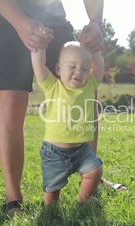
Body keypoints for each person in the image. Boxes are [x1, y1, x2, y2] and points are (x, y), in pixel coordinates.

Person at [0, 0, 103, 214]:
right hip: (4, 16)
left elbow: (94, 70)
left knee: (83, 92)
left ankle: (88, 175)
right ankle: (13, 198)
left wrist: (96, 23)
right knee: (13, 103)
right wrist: (19, 22)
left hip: (53, 19)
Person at [32, 38, 104, 205]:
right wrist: (39, 47)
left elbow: (99, 67)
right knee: (52, 190)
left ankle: (83, 200)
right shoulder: (52, 86)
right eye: (72, 67)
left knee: (95, 171)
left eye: (85, 68)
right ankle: (50, 209)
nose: (79, 72)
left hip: (82, 149)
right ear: (58, 68)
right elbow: (39, 66)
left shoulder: (89, 86)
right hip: (55, 152)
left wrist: (96, 51)